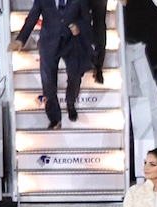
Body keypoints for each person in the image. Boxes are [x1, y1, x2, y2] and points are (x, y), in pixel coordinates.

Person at [8, 0, 93, 130]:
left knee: (75, 75)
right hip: (49, 42)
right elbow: (33, 17)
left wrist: (78, 27)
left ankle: (70, 102)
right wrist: (20, 40)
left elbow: (87, 18)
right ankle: (54, 118)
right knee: (48, 81)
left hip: (72, 42)